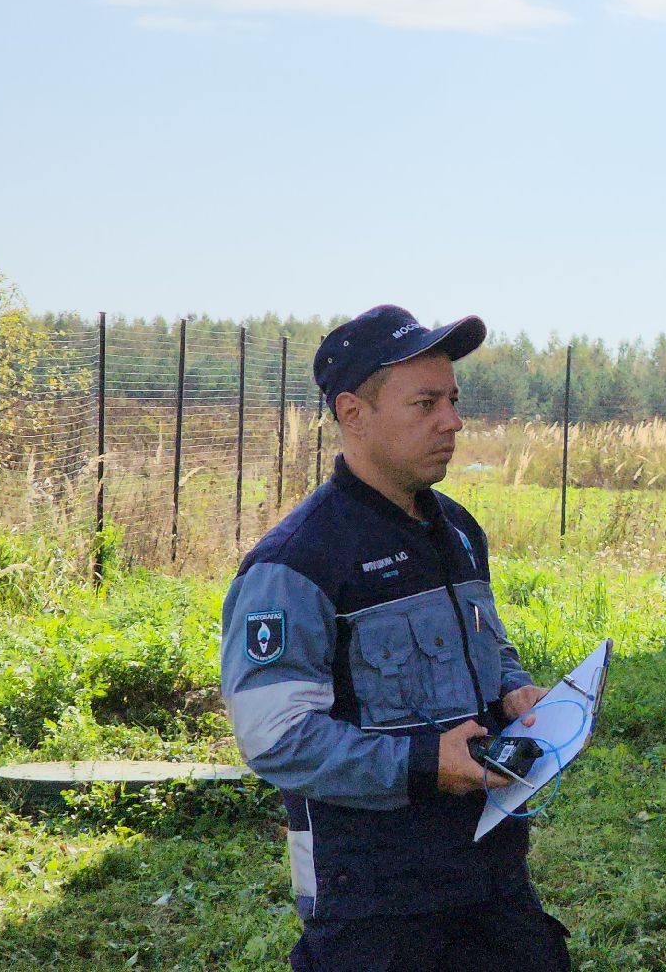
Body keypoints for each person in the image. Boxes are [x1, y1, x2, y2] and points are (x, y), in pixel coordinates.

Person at [219, 305, 572, 972]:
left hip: (491, 877)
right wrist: (422, 763)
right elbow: (276, 739)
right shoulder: (295, 565)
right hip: (376, 907)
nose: (454, 421)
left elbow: (487, 647)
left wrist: (513, 691)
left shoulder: (460, 531)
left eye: (454, 400)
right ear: (354, 413)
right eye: (426, 403)